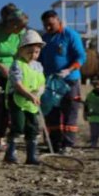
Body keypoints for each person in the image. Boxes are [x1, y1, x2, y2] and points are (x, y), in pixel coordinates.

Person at [0, 5, 29, 153]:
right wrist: (1, 67)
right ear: (11, 23)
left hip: (11, 73)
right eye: (19, 26)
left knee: (8, 105)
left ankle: (2, 138)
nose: (21, 29)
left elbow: (21, 54)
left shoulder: (20, 34)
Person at [39, 10, 86, 153]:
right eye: (45, 25)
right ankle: (53, 143)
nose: (48, 27)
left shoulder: (70, 35)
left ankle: (68, 144)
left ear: (57, 20)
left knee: (70, 111)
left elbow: (80, 57)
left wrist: (69, 69)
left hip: (69, 80)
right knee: (51, 112)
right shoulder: (45, 38)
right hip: (50, 82)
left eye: (50, 24)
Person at [4, 30, 47, 165]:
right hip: (18, 99)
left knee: (32, 126)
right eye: (30, 52)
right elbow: (17, 84)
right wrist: (29, 95)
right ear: (21, 50)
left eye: (36, 52)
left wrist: (38, 93)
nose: (33, 55)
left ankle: (31, 156)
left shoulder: (38, 66)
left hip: (32, 102)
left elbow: (41, 83)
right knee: (18, 126)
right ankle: (10, 153)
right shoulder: (17, 64)